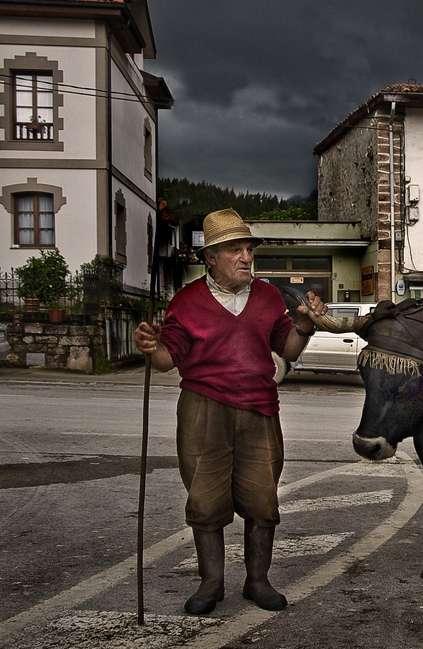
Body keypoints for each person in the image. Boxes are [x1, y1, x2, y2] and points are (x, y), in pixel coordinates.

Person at [134, 208, 328, 615]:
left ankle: (258, 581)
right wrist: (153, 348)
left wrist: (306, 326)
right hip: (204, 412)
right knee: (205, 500)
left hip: (260, 409)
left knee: (262, 500)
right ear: (210, 257)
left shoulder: (268, 296)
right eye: (234, 250)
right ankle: (211, 583)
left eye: (248, 249)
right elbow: (169, 359)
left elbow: (287, 349)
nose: (245, 257)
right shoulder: (185, 302)